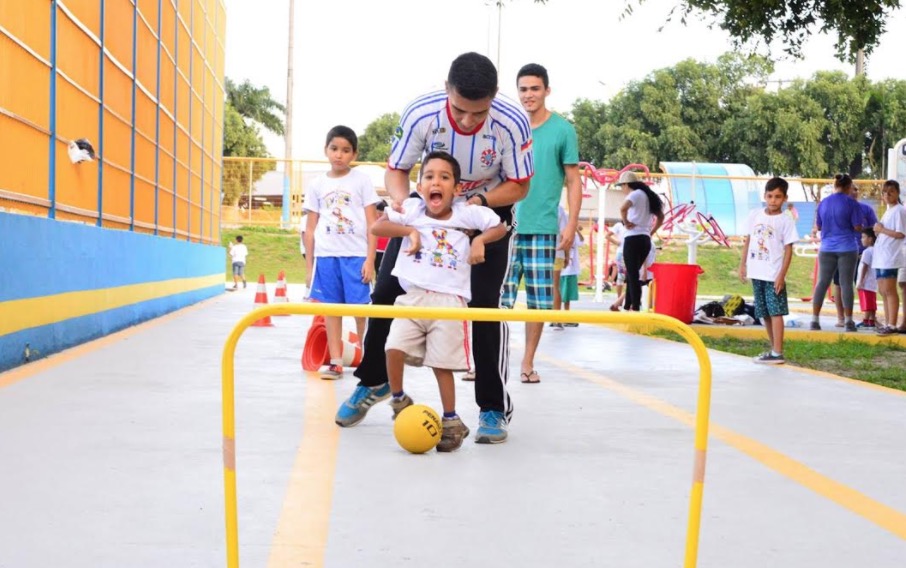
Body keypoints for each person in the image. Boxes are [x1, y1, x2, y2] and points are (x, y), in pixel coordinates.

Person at [335, 52, 533, 444]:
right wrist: (402, 207)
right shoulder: (421, 113)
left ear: (494, 97)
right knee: (388, 293)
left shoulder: (512, 122)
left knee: (484, 308)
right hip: (427, 211)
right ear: (447, 90)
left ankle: (492, 408)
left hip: (483, 214)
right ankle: (374, 381)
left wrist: (473, 207)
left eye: (479, 113)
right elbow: (397, 170)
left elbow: (519, 184)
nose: (468, 121)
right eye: (460, 110)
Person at [376, 151, 507, 452]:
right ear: (420, 187)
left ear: (457, 189)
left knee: (441, 365)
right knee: (392, 348)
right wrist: (408, 231)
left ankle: (451, 420)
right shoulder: (412, 210)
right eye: (429, 177)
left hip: (450, 301)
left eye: (445, 177)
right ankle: (398, 398)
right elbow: (378, 226)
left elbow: (499, 227)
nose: (436, 182)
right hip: (413, 297)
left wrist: (478, 240)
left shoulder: (466, 213)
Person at [502, 63, 581, 384]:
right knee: (495, 301)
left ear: (547, 90)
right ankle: (485, 361)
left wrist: (572, 224)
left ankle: (527, 362)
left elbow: (573, 181)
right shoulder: (509, 126)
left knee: (537, 302)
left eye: (535, 88)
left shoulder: (563, 130)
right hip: (504, 228)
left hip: (543, 229)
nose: (528, 95)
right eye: (523, 89)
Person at [303, 125, 380, 379]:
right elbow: (310, 229)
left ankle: (367, 358)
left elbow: (373, 224)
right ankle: (335, 361)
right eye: (334, 149)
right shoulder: (317, 184)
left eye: (346, 150)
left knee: (361, 309)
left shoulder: (361, 181)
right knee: (332, 309)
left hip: (356, 255)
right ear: (326, 150)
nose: (339, 155)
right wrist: (309, 267)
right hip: (326, 257)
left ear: (354, 155)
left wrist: (370, 259)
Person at [738, 177, 798, 363]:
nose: (773, 200)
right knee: (764, 313)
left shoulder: (785, 221)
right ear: (764, 196)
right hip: (757, 272)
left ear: (785, 198)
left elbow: (789, 250)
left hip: (773, 275)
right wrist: (743, 264)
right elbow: (748, 240)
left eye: (778, 197)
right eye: (770, 196)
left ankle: (778, 352)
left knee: (775, 312)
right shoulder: (755, 215)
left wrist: (781, 275)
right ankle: (773, 350)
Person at [809, 174, 863, 331]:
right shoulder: (852, 204)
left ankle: (814, 320)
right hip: (847, 247)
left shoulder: (823, 203)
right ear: (848, 187)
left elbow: (818, 227)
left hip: (826, 248)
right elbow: (857, 226)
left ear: (835, 186)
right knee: (846, 284)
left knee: (822, 282)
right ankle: (849, 321)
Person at [615, 171, 664, 311]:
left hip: (632, 238)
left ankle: (635, 305)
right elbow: (661, 217)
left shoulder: (635, 194)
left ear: (626, 184)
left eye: (621, 186)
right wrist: (651, 232)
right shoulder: (649, 196)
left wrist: (626, 222)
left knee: (632, 274)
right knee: (633, 273)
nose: (622, 190)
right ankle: (628, 304)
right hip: (645, 240)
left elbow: (622, 208)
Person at [871, 180, 906, 335]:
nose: (887, 195)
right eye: (885, 192)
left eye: (891, 192)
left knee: (890, 290)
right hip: (881, 256)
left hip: (890, 256)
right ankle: (887, 322)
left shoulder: (899, 210)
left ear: (897, 193)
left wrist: (882, 230)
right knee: (883, 290)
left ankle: (892, 324)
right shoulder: (888, 210)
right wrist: (878, 231)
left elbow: (900, 234)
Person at [558, 224, 583, 324]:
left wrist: (576, 230)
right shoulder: (560, 235)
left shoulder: (574, 237)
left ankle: (563, 317)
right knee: (562, 295)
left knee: (567, 296)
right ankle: (563, 318)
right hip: (563, 270)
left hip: (571, 270)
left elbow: (581, 241)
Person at [855, 228, 878, 329]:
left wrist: (860, 281)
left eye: (863, 237)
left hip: (866, 282)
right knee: (872, 301)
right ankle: (872, 321)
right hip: (873, 282)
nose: (861, 239)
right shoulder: (876, 250)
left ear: (871, 239)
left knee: (867, 303)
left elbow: (864, 267)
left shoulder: (867, 252)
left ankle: (865, 321)